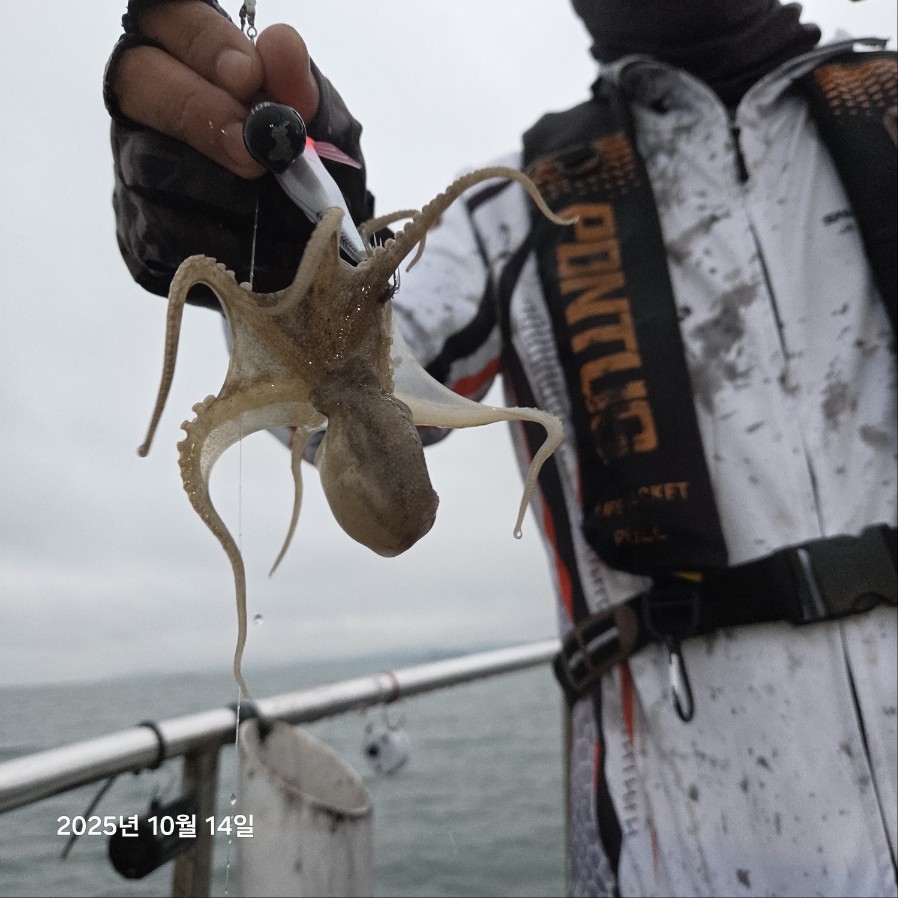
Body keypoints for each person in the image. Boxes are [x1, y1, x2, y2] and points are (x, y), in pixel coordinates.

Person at [104, 1, 897, 894]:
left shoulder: (885, 112)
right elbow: (346, 410)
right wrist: (282, 232)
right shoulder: (513, 208)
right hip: (670, 848)